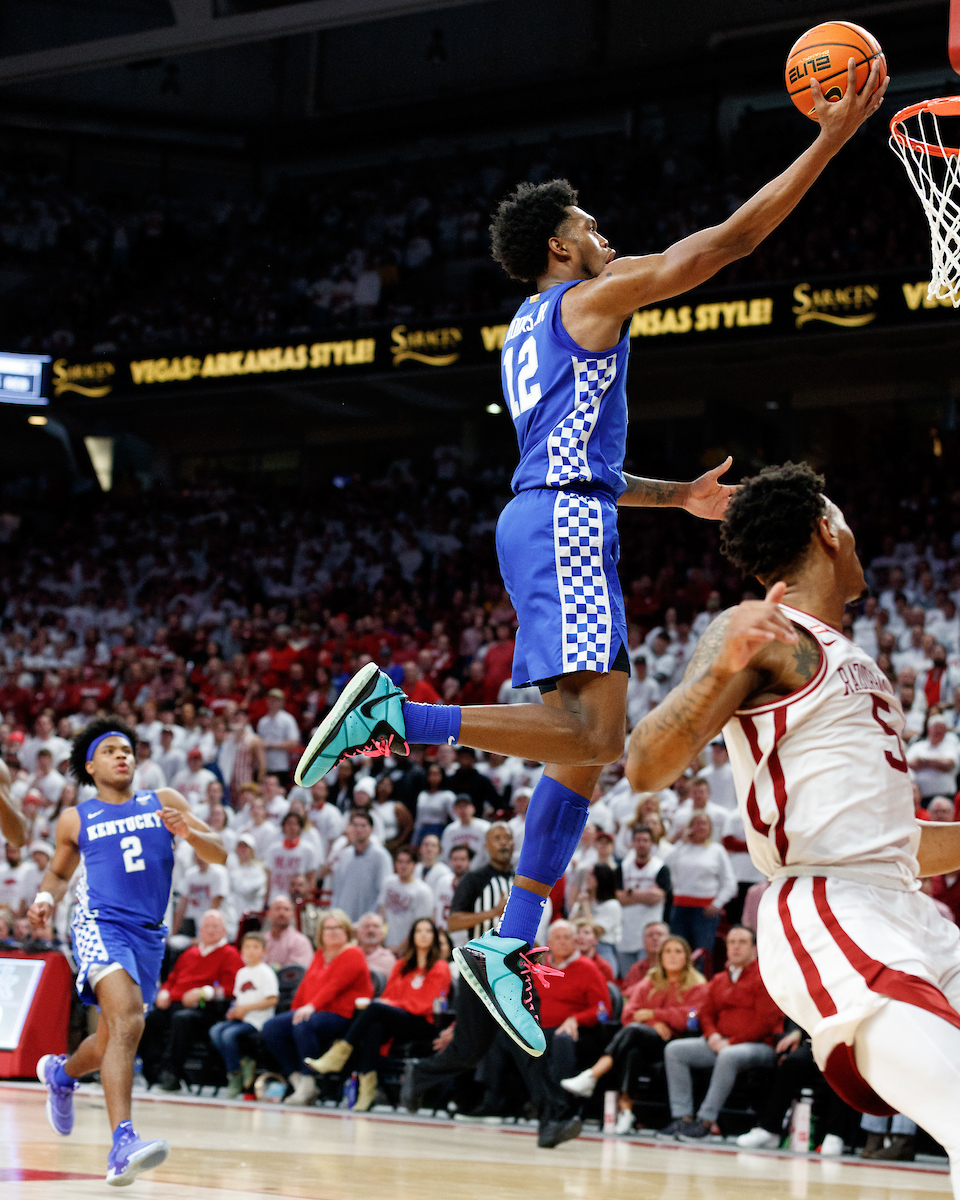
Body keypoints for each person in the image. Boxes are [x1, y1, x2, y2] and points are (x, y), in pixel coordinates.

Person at [292, 67, 887, 1059]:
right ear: (564, 245)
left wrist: (675, 497)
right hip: (561, 526)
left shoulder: (525, 331)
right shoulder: (593, 294)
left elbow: (575, 464)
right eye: (596, 226)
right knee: (599, 736)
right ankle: (394, 717)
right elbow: (728, 243)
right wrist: (834, 139)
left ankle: (510, 945)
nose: (609, 237)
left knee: (572, 756)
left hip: (552, 513)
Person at [626, 461, 960, 1192]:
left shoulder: (851, 658)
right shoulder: (767, 631)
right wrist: (717, 674)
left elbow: (896, 841)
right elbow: (646, 764)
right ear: (827, 529)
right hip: (831, 909)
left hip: (907, 908)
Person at [30, 718, 225, 1185]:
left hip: (149, 935)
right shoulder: (77, 817)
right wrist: (42, 900)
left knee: (111, 1039)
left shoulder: (165, 802)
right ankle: (123, 1143)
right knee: (129, 1021)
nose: (124, 756)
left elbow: (217, 853)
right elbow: (59, 874)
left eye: (129, 750)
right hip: (99, 923)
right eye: (112, 751)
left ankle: (61, 1074)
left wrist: (191, 833)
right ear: (91, 766)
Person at [561, 935, 707, 1134]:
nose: (672, 956)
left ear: (687, 957)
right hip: (645, 1039)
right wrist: (654, 1023)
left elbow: (688, 1018)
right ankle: (627, 1112)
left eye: (678, 952)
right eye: (668, 952)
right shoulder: (650, 981)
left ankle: (592, 1075)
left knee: (633, 1033)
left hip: (676, 1042)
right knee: (632, 1051)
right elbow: (628, 1014)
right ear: (661, 956)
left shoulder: (698, 985)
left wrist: (653, 1014)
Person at [306, 917, 451, 1111]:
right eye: (419, 931)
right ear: (412, 936)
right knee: (374, 1026)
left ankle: (340, 1053)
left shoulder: (440, 966)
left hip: (423, 1023)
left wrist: (393, 1004)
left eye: (428, 931)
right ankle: (367, 1092)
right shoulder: (401, 965)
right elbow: (389, 995)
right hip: (397, 1020)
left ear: (433, 937)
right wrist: (392, 1004)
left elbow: (425, 1005)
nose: (423, 935)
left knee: (374, 1008)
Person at [659, 926, 782, 1140]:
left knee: (728, 1055)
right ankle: (682, 1118)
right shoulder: (719, 979)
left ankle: (706, 1121)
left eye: (742, 942)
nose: (735, 947)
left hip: (759, 1046)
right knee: (675, 1050)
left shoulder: (765, 978)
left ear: (754, 948)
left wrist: (732, 1042)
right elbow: (705, 1014)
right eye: (731, 942)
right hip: (721, 1042)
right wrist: (712, 1036)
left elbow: (766, 1022)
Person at [260, 909, 372, 1106]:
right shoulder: (320, 954)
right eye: (328, 928)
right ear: (320, 932)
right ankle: (298, 1080)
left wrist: (310, 1007)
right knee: (272, 1028)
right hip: (316, 1010)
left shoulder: (354, 953)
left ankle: (309, 1078)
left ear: (346, 931)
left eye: (337, 928)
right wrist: (295, 1010)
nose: (332, 932)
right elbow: (305, 987)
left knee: (304, 1024)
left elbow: (334, 987)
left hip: (344, 1015)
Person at [140, 908, 244, 1092]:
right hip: (175, 1002)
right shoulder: (190, 953)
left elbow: (232, 988)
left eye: (215, 927)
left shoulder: (230, 954)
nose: (210, 931)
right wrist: (164, 992)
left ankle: (171, 1073)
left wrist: (204, 992)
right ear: (200, 930)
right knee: (151, 1019)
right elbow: (172, 979)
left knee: (183, 1019)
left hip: (205, 1009)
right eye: (207, 927)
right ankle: (153, 1072)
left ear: (223, 931)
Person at [209, 931, 279, 1098]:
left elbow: (272, 1000)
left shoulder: (266, 972)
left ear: (264, 951)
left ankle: (235, 1076)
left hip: (258, 1021)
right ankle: (243, 1063)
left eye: (256, 947)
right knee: (215, 1031)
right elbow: (239, 999)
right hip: (242, 1018)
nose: (251, 951)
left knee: (228, 1035)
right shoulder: (242, 973)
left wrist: (246, 1009)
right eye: (247, 947)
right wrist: (234, 1011)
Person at [664, 813, 737, 957]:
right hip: (680, 907)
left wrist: (717, 903)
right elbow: (666, 864)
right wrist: (681, 842)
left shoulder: (717, 851)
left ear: (710, 828)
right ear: (690, 827)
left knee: (702, 952)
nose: (700, 827)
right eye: (696, 823)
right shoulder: (682, 849)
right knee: (677, 950)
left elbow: (729, 881)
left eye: (704, 823)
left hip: (705, 911)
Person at [615, 826, 670, 978]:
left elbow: (658, 897)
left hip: (651, 932)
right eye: (638, 840)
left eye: (645, 840)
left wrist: (630, 893)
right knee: (628, 979)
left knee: (649, 979)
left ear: (652, 843)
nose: (641, 844)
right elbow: (619, 898)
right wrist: (647, 894)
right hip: (626, 931)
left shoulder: (660, 867)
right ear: (632, 843)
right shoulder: (623, 867)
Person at [447, 823, 515, 943]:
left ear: (514, 844)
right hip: (481, 957)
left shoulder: (519, 881)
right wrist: (494, 913)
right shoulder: (474, 879)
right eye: (497, 838)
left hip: (513, 957)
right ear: (486, 846)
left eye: (508, 838)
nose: (503, 842)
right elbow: (453, 923)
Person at [330, 810, 393, 920]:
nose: (358, 829)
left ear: (371, 830)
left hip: (368, 921)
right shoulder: (345, 854)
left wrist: (372, 918)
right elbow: (337, 889)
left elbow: (383, 893)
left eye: (363, 826)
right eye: (355, 825)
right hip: (344, 919)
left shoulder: (381, 856)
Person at [377, 845, 435, 952]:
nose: (403, 866)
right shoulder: (388, 882)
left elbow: (421, 924)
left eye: (407, 862)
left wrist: (404, 947)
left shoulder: (423, 891)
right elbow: (382, 910)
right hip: (386, 942)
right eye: (400, 862)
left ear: (415, 865)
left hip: (408, 947)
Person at [262, 894, 314, 969]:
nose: (281, 913)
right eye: (277, 909)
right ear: (268, 914)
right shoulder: (260, 940)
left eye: (286, 909)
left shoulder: (301, 942)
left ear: (293, 915)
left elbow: (296, 974)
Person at [355, 911, 396, 976]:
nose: (371, 930)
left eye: (376, 926)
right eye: (366, 926)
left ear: (383, 934)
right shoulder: (349, 954)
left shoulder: (388, 958)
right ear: (358, 933)